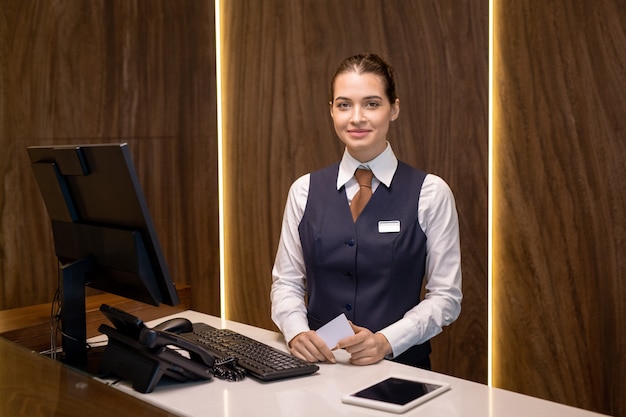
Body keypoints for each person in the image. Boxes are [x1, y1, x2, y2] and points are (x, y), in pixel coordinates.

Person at [270, 53, 462, 369]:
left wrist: (386, 341)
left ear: (394, 109)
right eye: (344, 104)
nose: (356, 117)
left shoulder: (430, 193)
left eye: (371, 104)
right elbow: (287, 282)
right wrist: (296, 332)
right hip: (318, 369)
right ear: (331, 111)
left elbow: (446, 297)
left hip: (399, 369)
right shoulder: (303, 190)